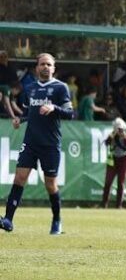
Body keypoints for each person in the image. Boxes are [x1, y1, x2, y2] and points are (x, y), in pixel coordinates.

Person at [0, 53, 75, 235]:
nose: (46, 67)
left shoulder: (60, 88)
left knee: (50, 184)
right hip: (31, 142)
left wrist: (53, 108)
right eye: (42, 64)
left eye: (49, 64)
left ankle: (57, 220)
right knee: (19, 177)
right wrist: (21, 119)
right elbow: (30, 111)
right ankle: (8, 219)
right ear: (37, 67)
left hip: (50, 144)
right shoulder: (31, 88)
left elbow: (69, 113)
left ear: (54, 68)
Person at [101, 117, 126, 209]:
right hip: (113, 160)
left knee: (121, 183)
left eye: (120, 128)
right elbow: (106, 143)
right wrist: (112, 136)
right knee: (108, 182)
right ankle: (104, 204)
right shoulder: (112, 134)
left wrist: (123, 137)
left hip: (124, 160)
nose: (119, 130)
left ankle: (119, 205)